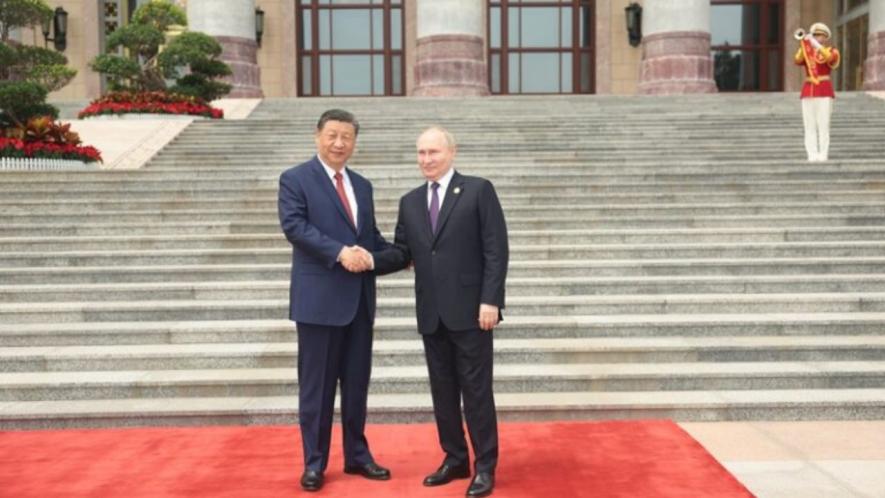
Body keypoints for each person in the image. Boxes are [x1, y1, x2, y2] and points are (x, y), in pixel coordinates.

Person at [372, 126, 509, 497]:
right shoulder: (410, 201)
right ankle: (455, 458)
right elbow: (403, 252)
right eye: (421, 153)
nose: (426, 159)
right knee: (443, 392)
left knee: (476, 392)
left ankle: (485, 466)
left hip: (472, 312)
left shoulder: (478, 190)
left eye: (433, 152)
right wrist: (369, 258)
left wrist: (491, 300)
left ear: (452, 152)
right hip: (432, 313)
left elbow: (496, 249)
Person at [277, 109, 392, 492]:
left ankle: (357, 456)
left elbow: (370, 238)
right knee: (317, 389)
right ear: (318, 136)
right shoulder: (296, 179)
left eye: (347, 137)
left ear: (355, 142)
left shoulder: (362, 185)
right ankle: (314, 463)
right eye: (332, 135)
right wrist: (340, 253)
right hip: (318, 303)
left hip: (359, 303)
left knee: (356, 386)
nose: (339, 143)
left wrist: (409, 254)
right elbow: (295, 227)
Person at [794, 22, 840, 162]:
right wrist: (804, 44)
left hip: (824, 90)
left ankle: (823, 154)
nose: (816, 37)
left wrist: (817, 46)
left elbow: (831, 59)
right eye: (814, 35)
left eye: (819, 35)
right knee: (809, 125)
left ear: (825, 37)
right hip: (808, 90)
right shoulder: (809, 53)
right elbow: (797, 60)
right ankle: (812, 154)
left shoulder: (831, 50)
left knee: (823, 125)